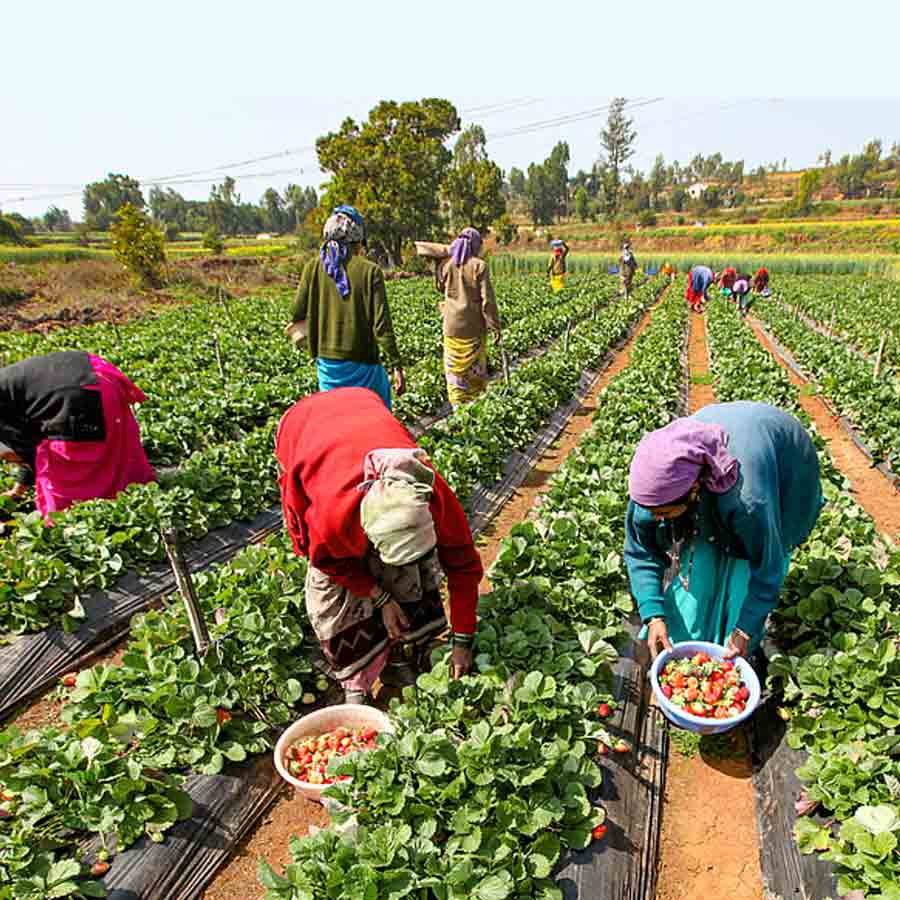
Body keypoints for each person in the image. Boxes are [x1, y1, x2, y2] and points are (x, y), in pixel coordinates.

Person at [276, 387, 483, 703]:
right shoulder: (333, 518)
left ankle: (399, 655)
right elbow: (328, 562)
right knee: (331, 597)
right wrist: (380, 596)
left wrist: (462, 640)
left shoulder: (432, 496)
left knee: (409, 573)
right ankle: (356, 681)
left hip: (362, 408)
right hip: (305, 428)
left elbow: (464, 568)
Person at [624, 402, 823, 661]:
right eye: (652, 511)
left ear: (694, 490)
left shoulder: (748, 501)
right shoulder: (652, 489)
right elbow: (640, 551)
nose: (656, 518)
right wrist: (653, 615)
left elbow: (767, 566)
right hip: (722, 458)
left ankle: (733, 649)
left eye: (664, 512)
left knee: (742, 588)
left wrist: (744, 629)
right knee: (698, 580)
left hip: (784, 469)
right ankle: (688, 648)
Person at [0, 350, 156, 520]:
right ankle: (135, 503)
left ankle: (76, 523)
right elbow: (25, 443)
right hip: (99, 377)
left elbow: (27, 452)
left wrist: (20, 478)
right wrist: (18, 490)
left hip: (77, 395)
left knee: (63, 481)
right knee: (116, 453)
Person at [286, 205, 405, 411]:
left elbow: (296, 311)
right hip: (363, 364)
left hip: (328, 367)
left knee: (336, 414)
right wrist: (397, 366)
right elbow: (382, 326)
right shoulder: (370, 271)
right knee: (376, 412)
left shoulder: (312, 268)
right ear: (358, 238)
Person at [436, 227, 501, 407]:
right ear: (475, 245)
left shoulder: (447, 265)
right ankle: (474, 407)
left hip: (451, 328)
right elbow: (487, 300)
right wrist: (495, 326)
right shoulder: (479, 266)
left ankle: (458, 407)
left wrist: (437, 263)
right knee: (474, 373)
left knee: (455, 373)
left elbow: (440, 287)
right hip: (474, 328)